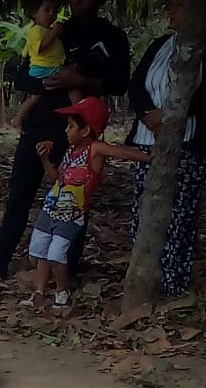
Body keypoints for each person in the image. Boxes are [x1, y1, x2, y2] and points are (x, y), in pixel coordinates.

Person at [0, 0, 131, 280]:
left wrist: (81, 82)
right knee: (19, 197)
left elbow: (120, 83)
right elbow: (23, 77)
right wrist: (48, 82)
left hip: (79, 134)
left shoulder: (112, 37)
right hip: (38, 126)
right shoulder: (52, 29)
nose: (77, 0)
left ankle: (66, 272)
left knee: (73, 204)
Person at [126, 0, 206, 298]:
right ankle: (144, 278)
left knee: (180, 215)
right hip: (147, 140)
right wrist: (149, 115)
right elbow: (137, 85)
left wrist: (170, 115)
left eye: (180, 5)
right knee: (144, 211)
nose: (171, 11)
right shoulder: (160, 45)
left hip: (188, 142)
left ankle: (174, 284)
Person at [26, 97, 152, 310]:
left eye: (71, 126)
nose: (66, 130)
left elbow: (120, 152)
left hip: (71, 214)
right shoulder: (70, 151)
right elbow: (56, 179)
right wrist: (45, 160)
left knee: (56, 254)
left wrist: (148, 157)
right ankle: (39, 292)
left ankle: (61, 292)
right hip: (50, 208)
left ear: (85, 131)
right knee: (39, 251)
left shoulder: (94, 149)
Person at [12, 0, 65, 132]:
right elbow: (40, 47)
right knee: (35, 97)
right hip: (44, 69)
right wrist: (54, 33)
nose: (51, 14)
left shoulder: (45, 30)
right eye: (47, 10)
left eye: (55, 11)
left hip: (50, 67)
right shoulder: (36, 31)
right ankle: (18, 118)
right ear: (34, 12)